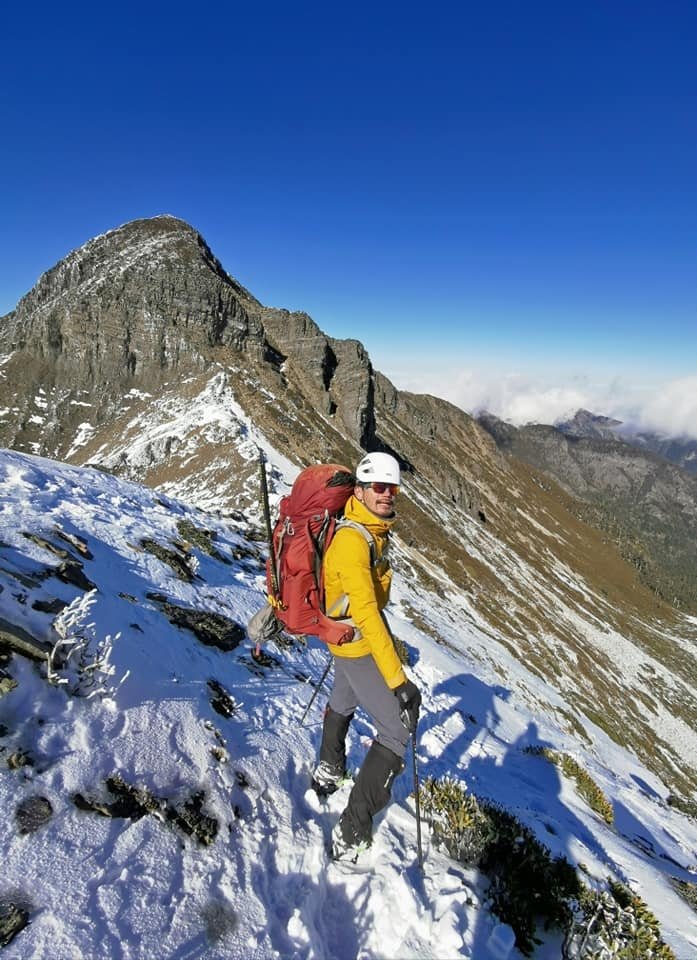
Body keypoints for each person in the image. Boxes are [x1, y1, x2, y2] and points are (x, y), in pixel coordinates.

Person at [311, 451, 422, 861]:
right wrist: (399, 682)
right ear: (359, 490)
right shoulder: (352, 542)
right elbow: (368, 613)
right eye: (378, 487)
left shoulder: (368, 530)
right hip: (355, 642)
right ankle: (352, 829)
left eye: (392, 488)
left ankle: (329, 768)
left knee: (344, 698)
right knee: (396, 733)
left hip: (344, 638)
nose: (387, 495)